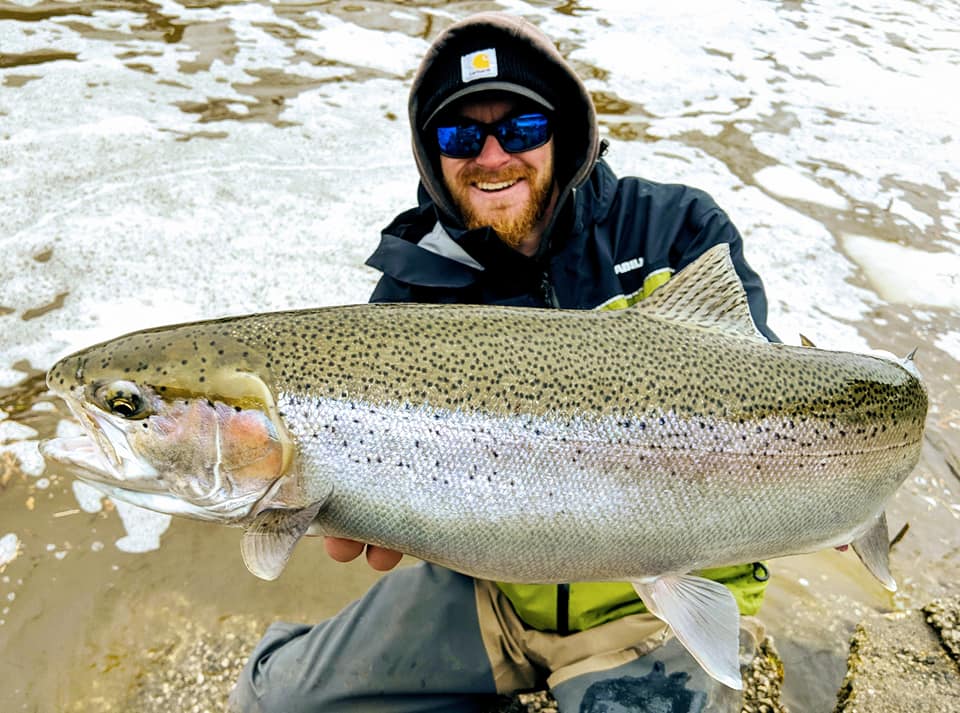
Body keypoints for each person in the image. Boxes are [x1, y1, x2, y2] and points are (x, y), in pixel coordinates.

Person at [230, 11, 778, 713]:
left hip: (651, 604)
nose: (491, 156)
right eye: (461, 135)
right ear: (432, 155)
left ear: (566, 133)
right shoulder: (412, 285)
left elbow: (765, 403)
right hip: (489, 589)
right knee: (272, 701)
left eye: (520, 130)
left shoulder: (676, 229)